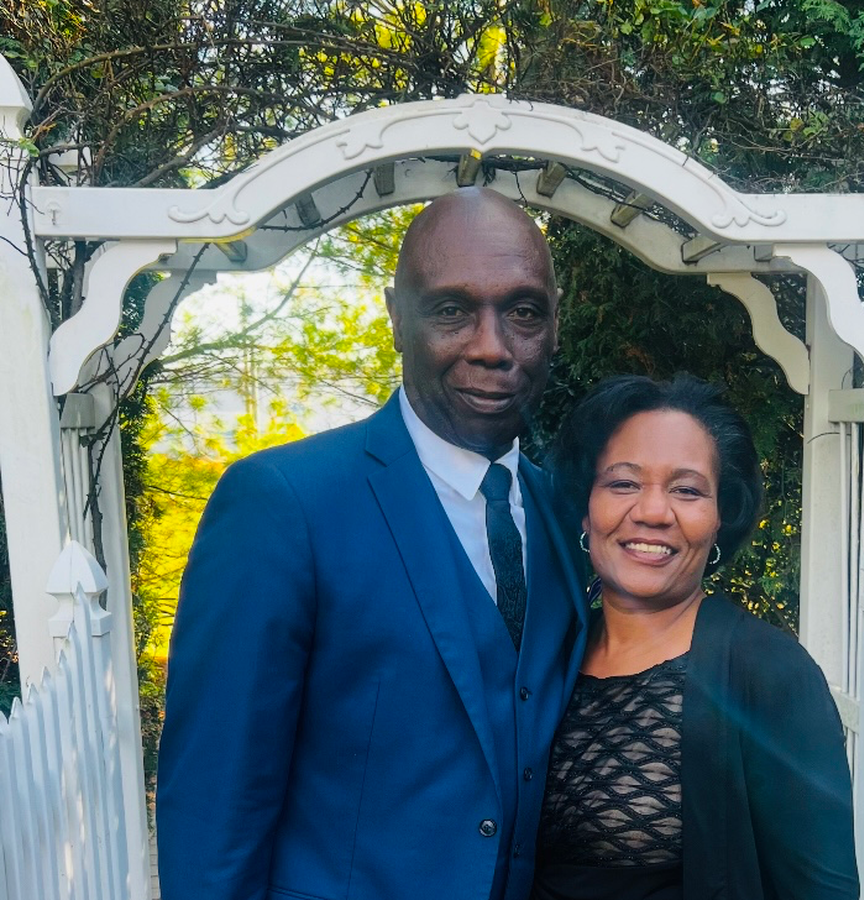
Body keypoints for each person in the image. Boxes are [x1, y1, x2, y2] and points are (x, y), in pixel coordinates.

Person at [156, 187, 588, 900]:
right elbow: (214, 806)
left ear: (554, 324)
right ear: (396, 318)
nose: (491, 347)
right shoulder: (283, 504)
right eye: (451, 311)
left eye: (522, 312)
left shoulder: (568, 518)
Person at [535, 374, 859, 900]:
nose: (652, 512)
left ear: (718, 519)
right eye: (623, 483)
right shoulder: (546, 654)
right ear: (585, 508)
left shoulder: (769, 673)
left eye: (686, 490)